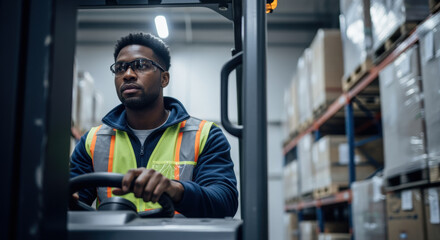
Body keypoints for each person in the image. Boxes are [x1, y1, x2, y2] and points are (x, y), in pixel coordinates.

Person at [70, 32, 238, 218]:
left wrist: (176, 189)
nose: (128, 75)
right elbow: (74, 199)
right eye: (120, 68)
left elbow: (225, 201)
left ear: (164, 79)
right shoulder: (92, 142)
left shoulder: (205, 136)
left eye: (141, 65)